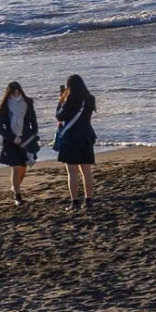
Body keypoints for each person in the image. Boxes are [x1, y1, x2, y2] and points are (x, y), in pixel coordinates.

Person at [55, 75, 97, 212]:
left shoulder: (69, 100)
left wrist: (60, 101)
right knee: (86, 170)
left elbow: (59, 116)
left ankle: (75, 202)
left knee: (72, 172)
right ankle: (89, 200)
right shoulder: (90, 99)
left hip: (71, 137)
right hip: (86, 135)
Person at [0, 81, 39, 206]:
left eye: (18, 91)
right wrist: (12, 138)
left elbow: (33, 120)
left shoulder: (28, 102)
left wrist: (35, 132)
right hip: (11, 141)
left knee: (23, 168)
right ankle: (17, 196)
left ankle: (15, 188)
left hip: (26, 139)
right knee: (16, 167)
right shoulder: (5, 106)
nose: (16, 94)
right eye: (13, 92)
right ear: (9, 92)